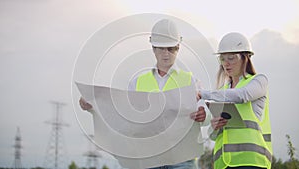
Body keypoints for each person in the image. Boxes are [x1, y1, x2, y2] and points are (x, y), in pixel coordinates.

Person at [80, 19, 209, 169]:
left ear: (178, 48)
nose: (166, 54)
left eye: (171, 48)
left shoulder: (191, 81)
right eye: (161, 49)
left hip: (182, 160)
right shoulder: (137, 83)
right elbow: (123, 116)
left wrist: (204, 115)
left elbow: (206, 116)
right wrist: (93, 105)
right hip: (149, 160)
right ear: (153, 48)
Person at [198, 32, 272, 169]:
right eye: (222, 59)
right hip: (224, 164)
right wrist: (214, 127)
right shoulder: (223, 91)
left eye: (231, 58)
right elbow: (213, 136)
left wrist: (203, 94)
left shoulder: (259, 81)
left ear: (246, 58)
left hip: (250, 162)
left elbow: (242, 95)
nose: (226, 64)